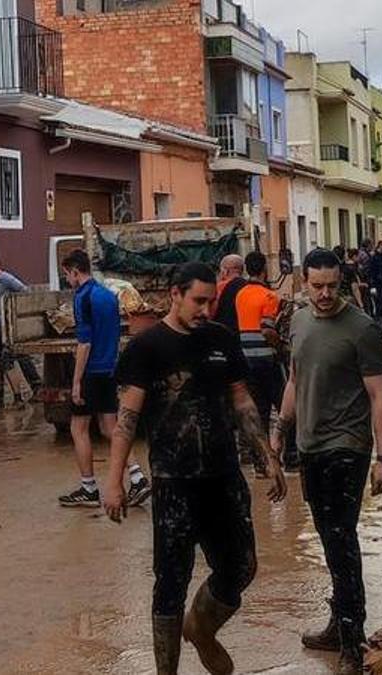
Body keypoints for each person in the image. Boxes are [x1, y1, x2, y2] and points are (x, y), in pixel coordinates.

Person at [103, 261, 283, 675]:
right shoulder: (148, 348)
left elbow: (241, 400)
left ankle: (201, 630)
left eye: (211, 301)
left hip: (223, 477)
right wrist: (113, 481)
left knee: (241, 566)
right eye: (198, 301)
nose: (205, 309)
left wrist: (266, 456)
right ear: (175, 295)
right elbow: (126, 419)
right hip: (173, 482)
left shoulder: (221, 339)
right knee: (170, 582)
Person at [278, 248, 382, 674]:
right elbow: (294, 379)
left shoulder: (362, 329)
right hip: (309, 446)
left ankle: (352, 640)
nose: (325, 294)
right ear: (304, 282)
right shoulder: (299, 320)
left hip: (348, 446)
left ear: (341, 282)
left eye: (332, 286)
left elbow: (380, 396)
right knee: (329, 540)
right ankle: (337, 622)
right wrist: (279, 430)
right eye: (317, 286)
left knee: (342, 539)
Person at [58, 250, 150, 507]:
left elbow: (84, 343)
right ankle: (137, 477)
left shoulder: (83, 297)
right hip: (109, 368)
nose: (68, 280)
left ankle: (88, 488)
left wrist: (76, 381)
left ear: (76, 271)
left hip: (91, 371)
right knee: (111, 428)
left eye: (67, 274)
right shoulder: (109, 296)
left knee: (79, 428)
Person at [234, 251, 282, 477]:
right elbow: (267, 329)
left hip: (245, 361)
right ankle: (290, 458)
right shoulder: (270, 296)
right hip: (267, 361)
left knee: (257, 412)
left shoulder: (240, 295)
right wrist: (279, 343)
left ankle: (259, 465)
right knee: (285, 409)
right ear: (264, 269)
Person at [213, 254, 248, 331]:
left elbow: (212, 310)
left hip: (224, 331)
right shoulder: (248, 286)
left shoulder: (220, 287)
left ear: (225, 271)